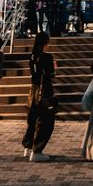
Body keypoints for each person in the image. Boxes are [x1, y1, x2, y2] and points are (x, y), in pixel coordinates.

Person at [22, 33, 59, 161]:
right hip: (45, 91)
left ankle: (28, 147)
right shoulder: (47, 57)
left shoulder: (33, 56)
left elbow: (34, 74)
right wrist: (54, 68)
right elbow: (50, 74)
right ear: (46, 42)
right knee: (46, 121)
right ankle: (37, 151)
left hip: (33, 90)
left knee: (32, 119)